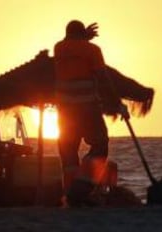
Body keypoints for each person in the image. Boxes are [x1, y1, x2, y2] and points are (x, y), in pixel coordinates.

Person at [54, 20, 128, 206]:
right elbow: (103, 79)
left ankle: (71, 196)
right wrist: (118, 103)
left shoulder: (59, 48)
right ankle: (83, 186)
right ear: (82, 34)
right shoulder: (92, 50)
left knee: (69, 152)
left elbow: (72, 45)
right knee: (100, 145)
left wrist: (83, 37)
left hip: (65, 112)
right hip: (87, 108)